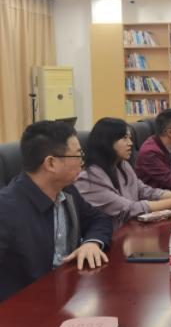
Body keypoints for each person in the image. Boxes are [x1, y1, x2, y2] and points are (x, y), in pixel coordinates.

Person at [0, 121, 113, 301]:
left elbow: (99, 219)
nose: (82, 162)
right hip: (26, 307)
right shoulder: (6, 208)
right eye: (78, 155)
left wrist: (91, 243)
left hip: (67, 295)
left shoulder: (67, 190)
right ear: (51, 163)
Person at [76, 118, 171, 229]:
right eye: (124, 138)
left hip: (131, 230)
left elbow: (142, 190)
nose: (130, 143)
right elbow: (128, 208)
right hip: (110, 238)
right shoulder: (89, 178)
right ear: (106, 142)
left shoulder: (122, 165)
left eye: (130, 138)